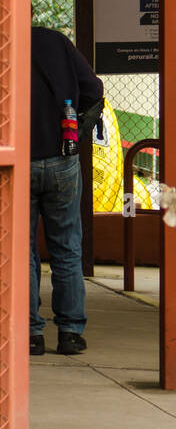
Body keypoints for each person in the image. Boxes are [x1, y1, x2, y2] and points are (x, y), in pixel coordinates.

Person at [30, 25, 104, 356]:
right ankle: (71, 332)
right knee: (67, 247)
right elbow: (93, 88)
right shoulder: (56, 42)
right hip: (63, 158)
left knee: (22, 250)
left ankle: (31, 333)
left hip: (17, 163)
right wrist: (75, 132)